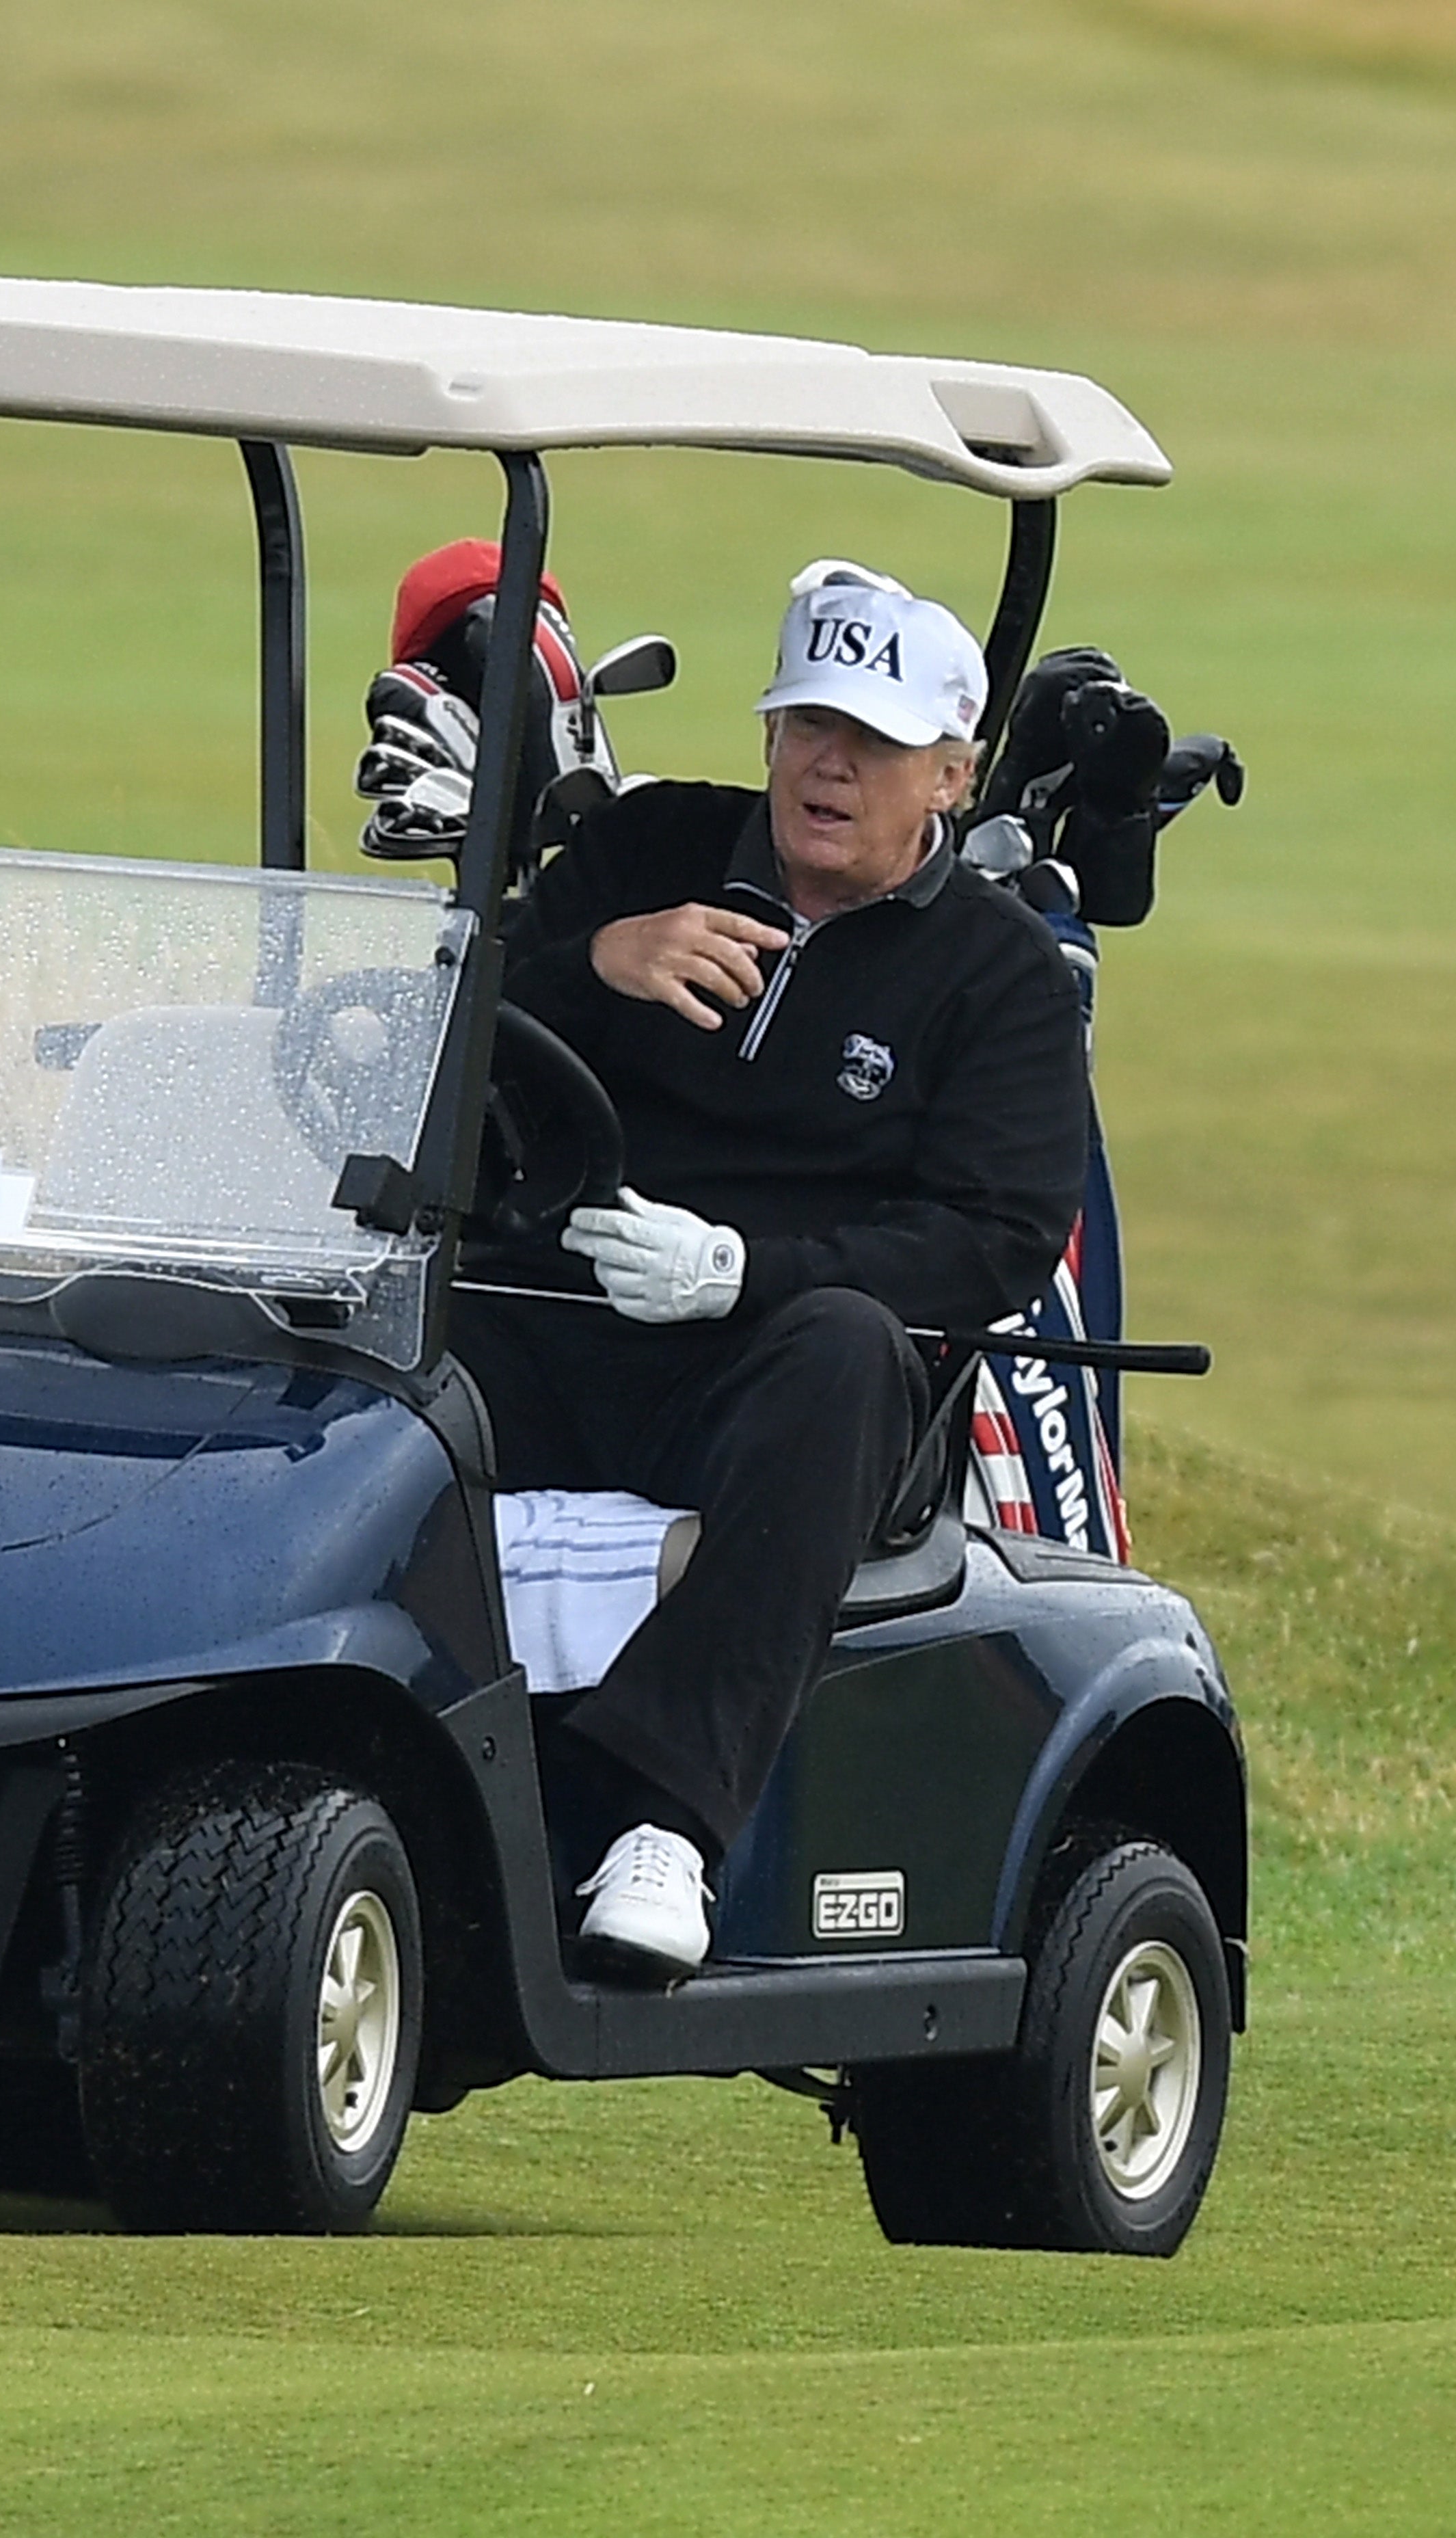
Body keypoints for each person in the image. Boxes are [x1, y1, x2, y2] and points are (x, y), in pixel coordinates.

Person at [440, 559, 1094, 1977]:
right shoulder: (646, 853)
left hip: (772, 1377)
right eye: (807, 726)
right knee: (370, 1330)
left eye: (873, 743)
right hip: (553, 1316)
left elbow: (995, 1233)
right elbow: (434, 1038)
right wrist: (596, 958)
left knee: (853, 1347)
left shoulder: (998, 976)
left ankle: (663, 1826)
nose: (830, 766)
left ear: (951, 773)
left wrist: (748, 1269)